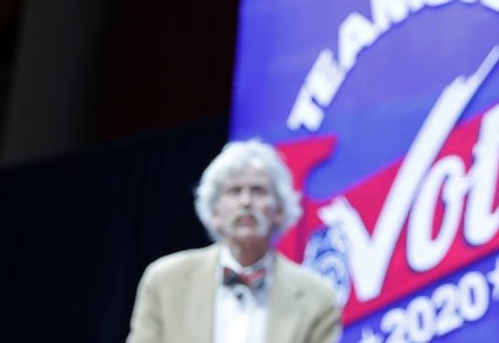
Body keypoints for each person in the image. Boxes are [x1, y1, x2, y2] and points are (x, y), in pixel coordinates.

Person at [127, 139, 342, 343]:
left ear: (279, 210)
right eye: (234, 191)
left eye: (258, 191)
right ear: (214, 212)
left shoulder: (318, 297)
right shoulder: (165, 281)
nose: (246, 201)